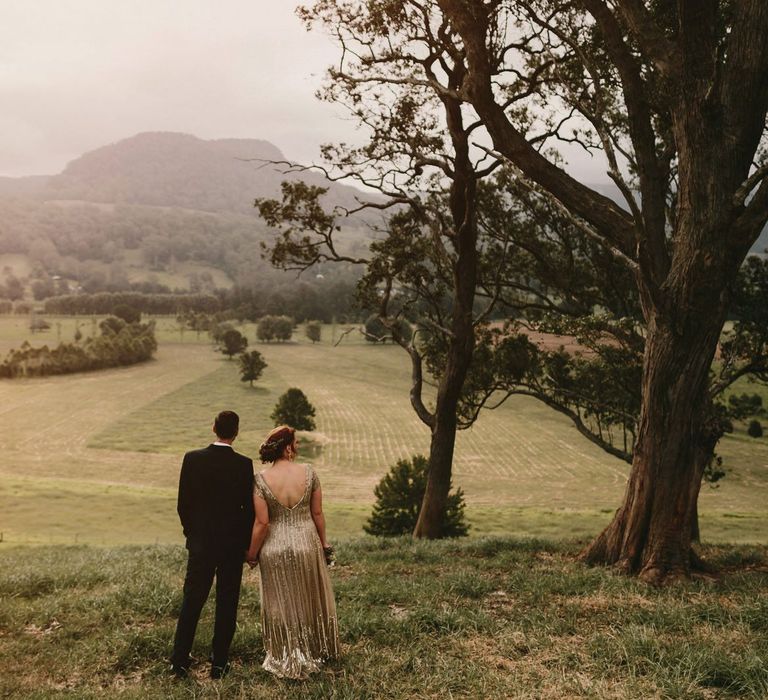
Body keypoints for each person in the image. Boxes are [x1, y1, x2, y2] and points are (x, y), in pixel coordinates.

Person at [247, 425, 340, 679]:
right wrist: (324, 544)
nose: (297, 447)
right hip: (306, 542)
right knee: (309, 596)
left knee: (280, 603)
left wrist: (252, 554)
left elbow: (262, 523)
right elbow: (317, 513)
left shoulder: (260, 479)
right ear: (288, 446)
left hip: (274, 547)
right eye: (295, 442)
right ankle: (313, 650)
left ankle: (284, 653)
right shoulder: (309, 473)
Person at [170, 410, 255, 679]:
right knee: (227, 603)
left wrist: (192, 534)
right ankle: (219, 664)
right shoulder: (244, 464)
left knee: (192, 601)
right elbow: (248, 512)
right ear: (236, 432)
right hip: (231, 546)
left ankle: (180, 661)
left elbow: (184, 504)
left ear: (213, 428)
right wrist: (243, 543)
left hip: (201, 544)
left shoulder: (193, 459)